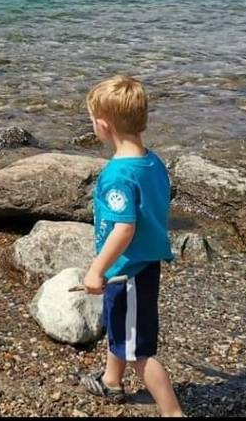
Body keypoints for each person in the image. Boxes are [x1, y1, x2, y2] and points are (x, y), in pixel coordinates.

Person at [79, 75, 183, 417]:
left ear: (103, 125)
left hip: (129, 269)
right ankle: (111, 380)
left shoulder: (117, 175)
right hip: (142, 264)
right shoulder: (152, 162)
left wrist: (96, 269)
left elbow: (124, 228)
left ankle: (172, 412)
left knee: (139, 351)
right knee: (121, 326)